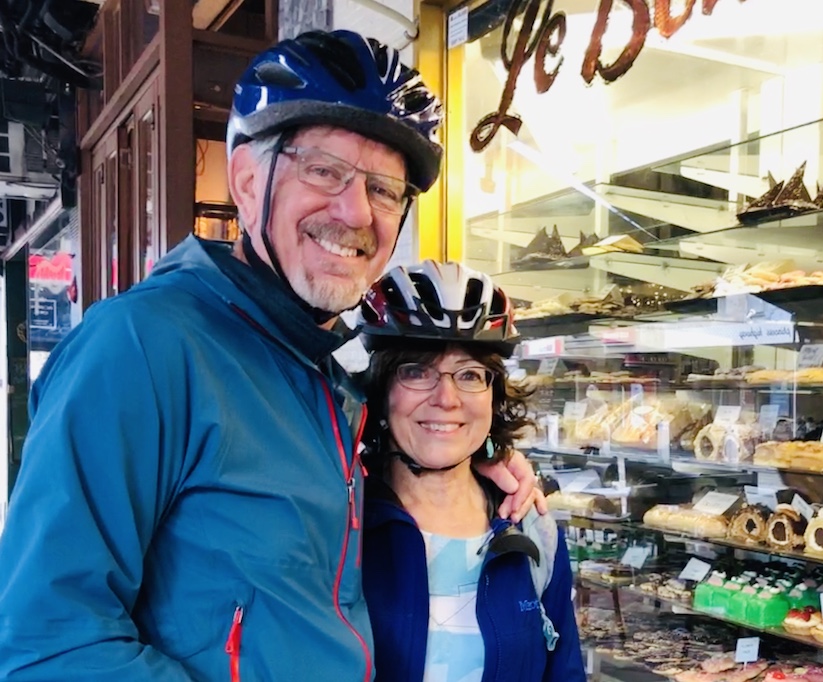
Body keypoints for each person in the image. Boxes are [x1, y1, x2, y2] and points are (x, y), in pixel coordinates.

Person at [0, 30, 541, 681]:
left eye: (384, 189)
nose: (356, 212)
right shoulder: (141, 346)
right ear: (247, 180)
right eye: (324, 170)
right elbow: (48, 644)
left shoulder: (321, 369)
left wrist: (482, 457)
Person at [357, 260, 586, 682]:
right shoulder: (341, 521)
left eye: (469, 374)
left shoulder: (532, 528)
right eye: (416, 371)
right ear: (381, 389)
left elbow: (564, 673)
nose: (446, 398)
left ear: (493, 396)